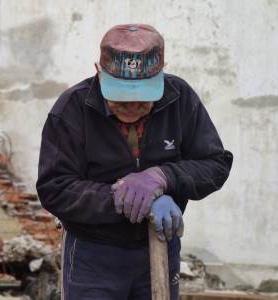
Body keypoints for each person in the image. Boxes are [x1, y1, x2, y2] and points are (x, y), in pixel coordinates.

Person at [36, 24, 233, 300]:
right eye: (121, 98)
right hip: (93, 255)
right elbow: (54, 188)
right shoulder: (71, 109)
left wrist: (164, 177)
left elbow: (215, 164)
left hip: (159, 245)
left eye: (142, 99)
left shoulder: (180, 99)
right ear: (99, 72)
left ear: (161, 74)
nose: (131, 107)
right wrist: (118, 198)